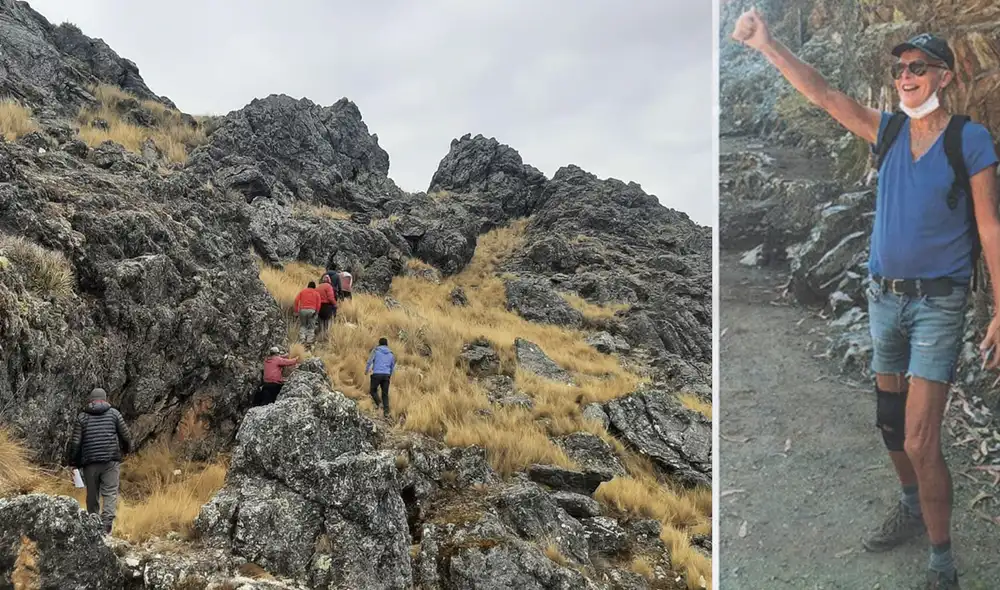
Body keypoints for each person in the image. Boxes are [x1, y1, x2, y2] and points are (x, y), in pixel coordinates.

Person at [733, 10, 1000, 589]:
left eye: (919, 68)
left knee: (920, 438)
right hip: (884, 299)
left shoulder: (969, 140)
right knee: (888, 423)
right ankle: (910, 504)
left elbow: (989, 227)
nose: (907, 77)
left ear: (945, 77)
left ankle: (942, 561)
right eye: (902, 68)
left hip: (937, 305)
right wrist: (767, 44)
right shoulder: (890, 130)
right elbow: (825, 95)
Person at [65, 388, 133, 535]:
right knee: (109, 492)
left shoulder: (82, 417)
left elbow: (76, 442)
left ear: (90, 400)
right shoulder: (114, 414)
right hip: (110, 461)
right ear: (105, 399)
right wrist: (126, 450)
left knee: (92, 494)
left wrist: (73, 462)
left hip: (90, 463)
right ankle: (107, 523)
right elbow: (126, 435)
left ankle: (93, 521)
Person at [365, 337, 396, 418]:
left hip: (377, 374)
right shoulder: (391, 354)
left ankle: (379, 404)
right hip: (386, 375)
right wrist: (390, 375)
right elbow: (392, 366)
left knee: (373, 391)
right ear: (387, 344)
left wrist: (366, 370)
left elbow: (369, 361)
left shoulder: (376, 351)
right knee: (385, 394)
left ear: (379, 344)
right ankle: (386, 413)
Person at [294, 281, 322, 345]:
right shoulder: (316, 293)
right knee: (311, 326)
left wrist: (296, 311)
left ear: (308, 286)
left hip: (302, 310)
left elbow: (296, 300)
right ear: (314, 287)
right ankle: (309, 341)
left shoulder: (302, 291)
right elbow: (319, 304)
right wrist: (316, 312)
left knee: (303, 325)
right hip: (312, 311)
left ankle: (302, 339)